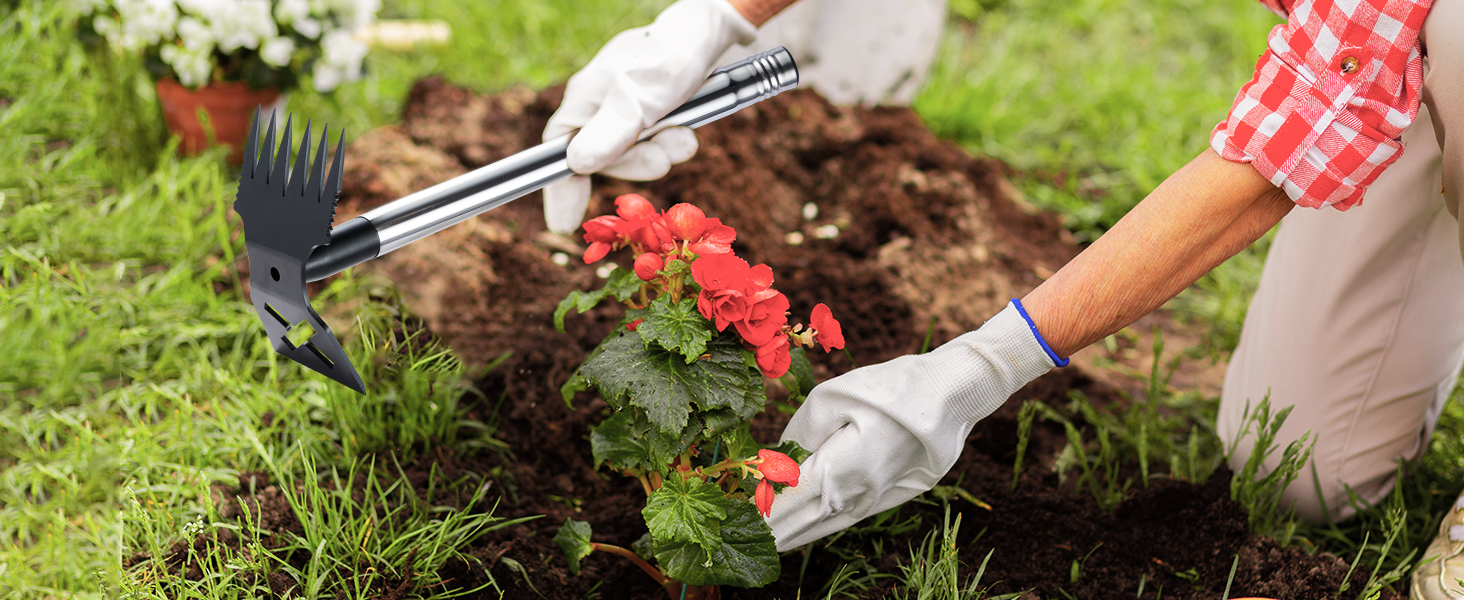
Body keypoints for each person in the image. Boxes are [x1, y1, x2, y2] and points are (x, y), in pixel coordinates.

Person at [538, 0, 1464, 596]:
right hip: (1371, 62)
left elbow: (1299, 124)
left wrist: (982, 368)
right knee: (1309, 474)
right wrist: (712, 23)